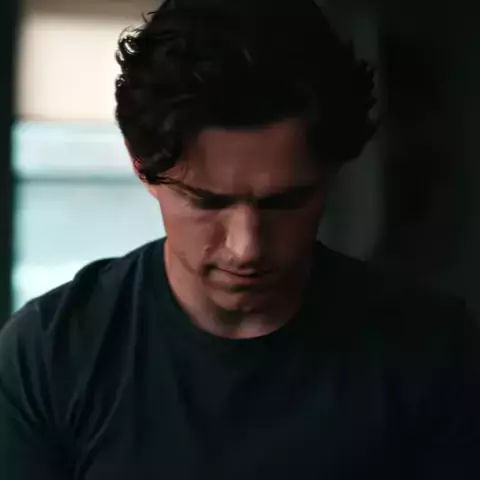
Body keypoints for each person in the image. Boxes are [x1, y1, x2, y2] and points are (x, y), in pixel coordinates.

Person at [1, 0, 479, 478]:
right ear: (141, 167)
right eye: (207, 201)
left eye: (285, 202)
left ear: (333, 173)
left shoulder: (434, 349)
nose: (246, 248)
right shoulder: (48, 356)